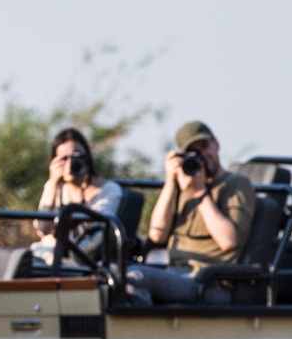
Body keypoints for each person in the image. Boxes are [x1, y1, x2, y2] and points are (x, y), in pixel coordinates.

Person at [126, 120, 257, 304]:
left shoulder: (236, 184)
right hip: (175, 272)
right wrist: (171, 182)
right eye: (193, 152)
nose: (201, 156)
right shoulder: (183, 186)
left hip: (210, 281)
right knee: (114, 275)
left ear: (216, 144)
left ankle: (141, 322)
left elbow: (229, 241)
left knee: (135, 277)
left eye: (204, 146)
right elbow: (157, 235)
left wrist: (200, 193)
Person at [29, 128, 124, 266]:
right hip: (49, 254)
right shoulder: (53, 187)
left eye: (76, 156)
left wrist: (80, 188)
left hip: (85, 258)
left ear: (88, 158)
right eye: (64, 159)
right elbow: (43, 229)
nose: (71, 163)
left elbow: (93, 230)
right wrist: (53, 183)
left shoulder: (109, 190)